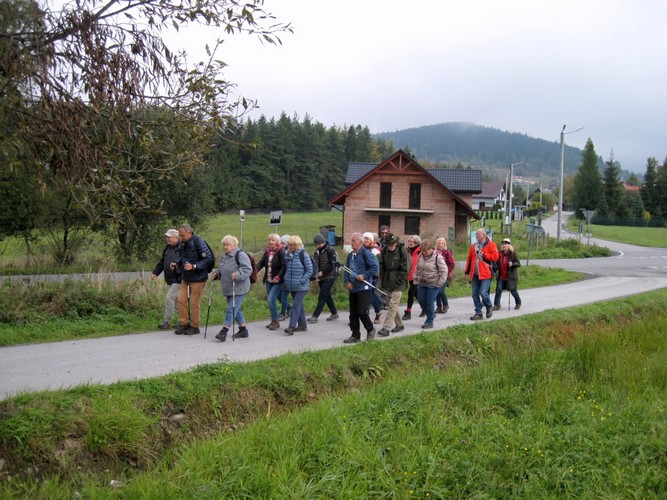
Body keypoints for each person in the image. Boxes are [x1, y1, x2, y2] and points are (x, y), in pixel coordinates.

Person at [174, 224, 213, 335]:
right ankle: (184, 323)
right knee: (180, 299)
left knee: (194, 303)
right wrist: (177, 264)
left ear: (189, 232)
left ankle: (195, 326)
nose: (181, 238)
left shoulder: (199, 242)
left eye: (183, 235)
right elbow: (183, 257)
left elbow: (208, 259)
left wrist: (194, 266)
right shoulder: (183, 243)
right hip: (185, 277)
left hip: (198, 278)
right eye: (180, 236)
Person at [212, 235, 252, 342]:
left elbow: (248, 269)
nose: (225, 247)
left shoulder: (241, 255)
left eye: (228, 245)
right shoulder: (224, 256)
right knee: (236, 309)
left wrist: (238, 275)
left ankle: (224, 331)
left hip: (239, 288)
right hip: (228, 288)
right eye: (224, 245)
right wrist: (216, 274)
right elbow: (222, 270)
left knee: (231, 309)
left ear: (234, 245)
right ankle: (243, 330)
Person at [343, 232, 379, 344]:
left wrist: (364, 275)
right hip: (353, 287)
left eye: (353, 241)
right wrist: (347, 281)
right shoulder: (350, 255)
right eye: (351, 240)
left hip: (364, 287)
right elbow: (346, 269)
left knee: (362, 311)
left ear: (360, 242)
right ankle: (355, 335)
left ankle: (370, 329)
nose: (351, 243)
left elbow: (374, 267)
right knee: (353, 313)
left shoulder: (366, 253)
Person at [377, 233, 409, 336]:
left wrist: (400, 281)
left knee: (392, 305)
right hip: (387, 281)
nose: (391, 246)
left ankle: (386, 328)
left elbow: (405, 268)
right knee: (392, 305)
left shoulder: (402, 251)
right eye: (389, 244)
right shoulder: (384, 251)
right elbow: (381, 266)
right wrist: (382, 278)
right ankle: (400, 325)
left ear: (396, 242)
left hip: (398, 282)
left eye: (392, 244)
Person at [464, 228, 499, 321]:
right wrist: (467, 271)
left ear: (483, 235)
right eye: (476, 234)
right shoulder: (473, 246)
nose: (476, 236)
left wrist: (484, 255)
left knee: (483, 293)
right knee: (474, 294)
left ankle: (489, 306)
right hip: (475, 274)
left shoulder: (491, 245)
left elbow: (496, 257)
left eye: (478, 234)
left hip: (486, 274)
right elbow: (469, 259)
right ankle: (478, 313)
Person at [151, 229, 182, 329]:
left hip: (178, 279)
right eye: (167, 237)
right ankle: (184, 321)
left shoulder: (182, 248)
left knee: (169, 298)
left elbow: (184, 262)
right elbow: (162, 262)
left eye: (169, 237)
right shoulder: (167, 248)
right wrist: (155, 273)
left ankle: (166, 321)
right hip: (169, 279)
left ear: (176, 238)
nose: (167, 239)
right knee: (177, 301)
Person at [282, 235, 313, 335]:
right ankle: (302, 325)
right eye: (289, 245)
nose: (289, 246)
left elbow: (309, 270)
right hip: (292, 285)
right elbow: (287, 269)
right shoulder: (288, 255)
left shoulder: (303, 255)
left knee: (295, 305)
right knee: (299, 305)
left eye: (291, 245)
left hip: (301, 286)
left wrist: (302, 281)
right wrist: (286, 279)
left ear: (296, 245)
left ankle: (291, 327)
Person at [256, 233, 287, 330]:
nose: (270, 242)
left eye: (273, 240)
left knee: (270, 299)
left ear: (277, 242)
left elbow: (284, 266)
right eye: (269, 240)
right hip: (269, 280)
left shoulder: (281, 251)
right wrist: (253, 272)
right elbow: (261, 264)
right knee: (271, 300)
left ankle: (275, 321)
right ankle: (274, 320)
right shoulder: (267, 251)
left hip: (278, 281)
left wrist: (278, 277)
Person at [415, 238, 447, 329]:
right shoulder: (420, 256)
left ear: (431, 249)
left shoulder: (437, 257)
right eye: (422, 250)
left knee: (429, 302)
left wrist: (439, 283)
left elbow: (444, 271)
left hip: (433, 284)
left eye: (425, 250)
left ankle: (429, 321)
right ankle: (431, 313)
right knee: (421, 300)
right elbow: (417, 267)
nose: (424, 252)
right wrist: (415, 278)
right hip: (422, 282)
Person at [307, 234, 339, 323]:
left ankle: (315, 316)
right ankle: (334, 313)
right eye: (316, 244)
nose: (318, 246)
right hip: (320, 277)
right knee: (327, 295)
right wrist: (315, 274)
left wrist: (323, 272)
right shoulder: (316, 252)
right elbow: (315, 263)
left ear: (323, 242)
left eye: (319, 244)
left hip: (330, 276)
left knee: (322, 295)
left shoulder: (330, 250)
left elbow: (333, 264)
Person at [492, 238, 522, 310]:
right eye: (503, 244)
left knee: (512, 290)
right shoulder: (500, 254)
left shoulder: (512, 254)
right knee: (499, 289)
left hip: (511, 276)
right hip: (502, 276)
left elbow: (518, 263)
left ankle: (518, 303)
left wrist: (512, 264)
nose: (504, 245)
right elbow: (496, 264)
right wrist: (494, 267)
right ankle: (497, 305)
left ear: (509, 245)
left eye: (506, 244)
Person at [363, 232, 383, 324]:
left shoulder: (375, 252)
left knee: (370, 295)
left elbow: (379, 266)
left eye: (368, 238)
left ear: (371, 240)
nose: (366, 240)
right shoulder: (360, 250)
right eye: (364, 238)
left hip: (373, 277)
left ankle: (378, 312)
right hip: (362, 276)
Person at [402, 235, 421, 320]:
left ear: (416, 243)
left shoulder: (420, 251)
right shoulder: (406, 251)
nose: (409, 243)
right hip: (408, 275)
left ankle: (408, 312)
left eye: (411, 241)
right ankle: (425, 308)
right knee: (416, 293)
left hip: (416, 276)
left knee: (411, 293)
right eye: (408, 241)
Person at [435, 237, 455, 314]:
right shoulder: (434, 252)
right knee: (436, 290)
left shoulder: (447, 252)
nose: (440, 245)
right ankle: (438, 306)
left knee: (440, 291)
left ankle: (445, 305)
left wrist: (446, 272)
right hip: (436, 275)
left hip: (444, 275)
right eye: (439, 243)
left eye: (442, 243)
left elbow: (452, 264)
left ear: (444, 244)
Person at [278, 234, 292, 320]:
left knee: (283, 296)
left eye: (283, 244)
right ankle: (290, 308)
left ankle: (282, 314)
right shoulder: (281, 252)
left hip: (287, 278)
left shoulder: (289, 254)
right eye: (281, 243)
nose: (281, 245)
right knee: (278, 296)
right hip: (281, 278)